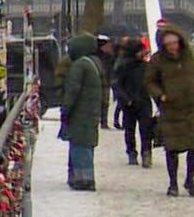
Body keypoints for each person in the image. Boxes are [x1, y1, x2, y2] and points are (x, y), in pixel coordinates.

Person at [146, 22, 194, 197]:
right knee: (172, 147)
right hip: (172, 108)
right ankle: (173, 183)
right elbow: (150, 81)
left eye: (174, 43)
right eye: (168, 44)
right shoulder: (157, 60)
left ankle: (190, 179)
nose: (172, 47)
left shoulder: (192, 54)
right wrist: (161, 95)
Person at [60, 32, 104, 190]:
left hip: (80, 113)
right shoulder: (94, 63)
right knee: (86, 145)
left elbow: (72, 90)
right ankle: (82, 176)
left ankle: (83, 179)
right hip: (90, 112)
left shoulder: (79, 65)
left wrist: (65, 109)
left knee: (79, 145)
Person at [114, 37, 154, 167]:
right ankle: (132, 152)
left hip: (143, 101)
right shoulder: (124, 67)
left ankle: (145, 152)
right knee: (130, 129)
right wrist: (125, 99)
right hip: (130, 103)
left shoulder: (146, 66)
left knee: (145, 129)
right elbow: (117, 85)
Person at [98, 36, 120, 130]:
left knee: (105, 103)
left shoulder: (110, 57)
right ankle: (101, 121)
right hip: (99, 82)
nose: (110, 47)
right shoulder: (98, 58)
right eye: (108, 46)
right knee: (100, 102)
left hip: (106, 82)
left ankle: (104, 122)